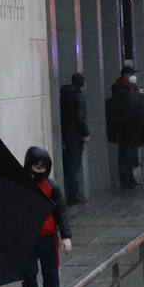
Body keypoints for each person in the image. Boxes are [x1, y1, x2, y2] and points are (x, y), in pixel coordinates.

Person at [20, 147, 72, 287]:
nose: (39, 170)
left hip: (48, 238)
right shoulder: (22, 185)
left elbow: (61, 211)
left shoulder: (52, 187)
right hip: (28, 239)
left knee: (51, 279)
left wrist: (66, 235)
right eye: (36, 166)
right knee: (28, 278)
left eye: (43, 166)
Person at [58, 73, 89, 203]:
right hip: (75, 136)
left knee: (68, 165)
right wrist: (85, 133)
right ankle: (74, 194)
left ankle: (71, 193)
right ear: (82, 84)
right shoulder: (79, 97)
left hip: (65, 134)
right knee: (74, 166)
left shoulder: (63, 96)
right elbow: (80, 117)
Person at [107, 65, 140, 188]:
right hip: (123, 126)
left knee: (131, 154)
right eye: (131, 74)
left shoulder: (132, 87)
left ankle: (131, 178)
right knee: (125, 153)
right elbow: (123, 101)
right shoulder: (118, 87)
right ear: (125, 75)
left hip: (132, 125)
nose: (133, 77)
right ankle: (125, 180)